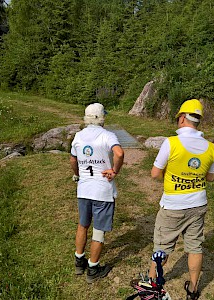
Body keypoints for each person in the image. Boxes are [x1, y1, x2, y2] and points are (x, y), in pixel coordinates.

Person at [148, 99, 214, 300]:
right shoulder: (211, 147)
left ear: (181, 118)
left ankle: (152, 284)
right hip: (198, 203)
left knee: (162, 246)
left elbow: (154, 173)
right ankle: (193, 289)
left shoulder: (171, 143)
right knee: (195, 246)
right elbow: (210, 177)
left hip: (173, 205)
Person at [70, 103, 124, 284]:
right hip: (102, 190)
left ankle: (79, 260)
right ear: (102, 118)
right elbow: (119, 152)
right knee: (98, 230)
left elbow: (73, 158)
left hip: (84, 189)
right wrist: (114, 171)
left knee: (83, 224)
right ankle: (93, 268)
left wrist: (78, 174)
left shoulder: (78, 136)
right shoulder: (108, 135)